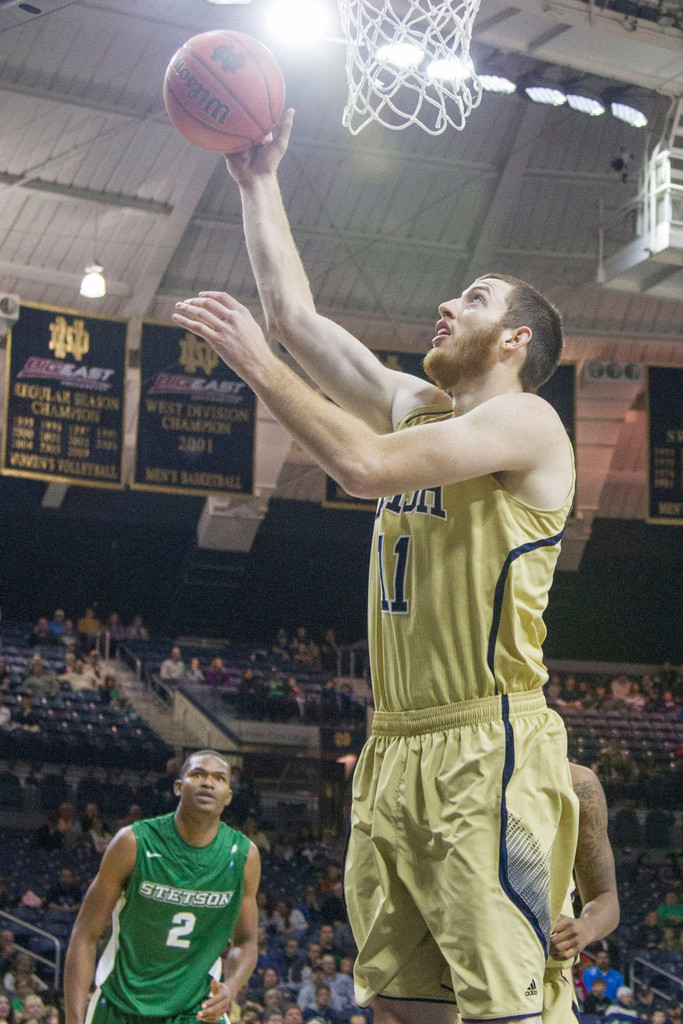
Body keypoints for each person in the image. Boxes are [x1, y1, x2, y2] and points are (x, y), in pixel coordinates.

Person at [173, 110, 579, 1024]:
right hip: (393, 743)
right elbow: (294, 319)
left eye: (472, 299)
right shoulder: (420, 406)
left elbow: (361, 469)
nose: (447, 305)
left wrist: (254, 368)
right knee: (400, 1004)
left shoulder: (528, 426)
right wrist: (256, 180)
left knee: (504, 1008)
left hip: (488, 744)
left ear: (514, 341)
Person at [64, 749, 260, 1024]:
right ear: (178, 787)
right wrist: (73, 1018)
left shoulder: (243, 856)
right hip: (122, 1006)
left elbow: (246, 941)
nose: (208, 783)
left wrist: (231, 986)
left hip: (196, 1010)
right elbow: (85, 934)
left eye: (219, 778)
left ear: (228, 796)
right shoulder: (133, 843)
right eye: (197, 774)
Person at [543, 764, 620, 1023]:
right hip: (458, 975)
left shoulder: (577, 781)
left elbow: (606, 897)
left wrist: (586, 927)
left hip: (546, 984)